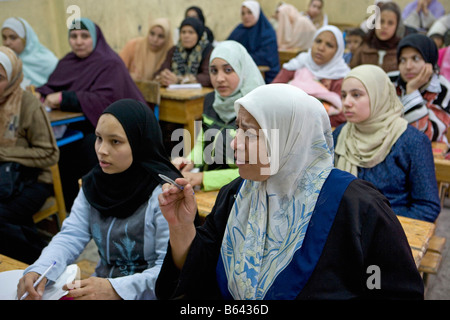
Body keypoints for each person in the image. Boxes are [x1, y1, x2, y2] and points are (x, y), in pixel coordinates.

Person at [155, 83, 424, 300]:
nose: (234, 143)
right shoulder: (237, 195)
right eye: (238, 128)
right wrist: (180, 226)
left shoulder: (358, 207)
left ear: (288, 137)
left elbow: (395, 291)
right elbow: (198, 275)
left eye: (249, 132)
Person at [17, 99, 181, 300]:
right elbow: (71, 236)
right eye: (99, 138)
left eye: (115, 141)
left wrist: (115, 289)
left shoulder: (165, 194)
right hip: (101, 286)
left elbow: (169, 272)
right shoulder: (95, 183)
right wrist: (40, 270)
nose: (102, 150)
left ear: (140, 144)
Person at [35, 17, 146, 211]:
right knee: (57, 149)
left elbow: (108, 100)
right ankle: (72, 207)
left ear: (95, 38)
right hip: (78, 124)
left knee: (88, 147)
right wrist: (40, 93)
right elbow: (51, 86)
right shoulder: (67, 62)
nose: (78, 41)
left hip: (112, 127)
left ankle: (99, 205)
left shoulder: (109, 62)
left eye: (84, 36)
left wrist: (65, 98)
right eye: (74, 36)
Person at [334, 65, 441, 223]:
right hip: (344, 226)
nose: (347, 102)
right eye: (343, 95)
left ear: (379, 96)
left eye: (356, 95)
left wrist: (381, 228)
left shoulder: (411, 141)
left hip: (391, 231)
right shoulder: (340, 134)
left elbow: (427, 206)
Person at [170, 40, 265, 191]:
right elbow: (204, 140)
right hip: (208, 185)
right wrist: (190, 160)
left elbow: (256, 169)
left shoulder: (258, 108)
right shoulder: (211, 100)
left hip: (244, 189)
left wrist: (204, 179)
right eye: (214, 71)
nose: (219, 78)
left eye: (228, 70)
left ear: (243, 71)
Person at [0, 46, 59, 264]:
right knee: (12, 223)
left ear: (13, 76)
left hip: (34, 181)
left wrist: (5, 153)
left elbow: (50, 153)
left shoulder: (28, 104)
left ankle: (39, 262)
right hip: (5, 181)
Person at [272, 25, 350, 127]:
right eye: (318, 41)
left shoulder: (341, 76)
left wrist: (306, 122)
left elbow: (343, 115)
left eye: (329, 45)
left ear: (338, 52)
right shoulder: (296, 65)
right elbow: (271, 92)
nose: (321, 48)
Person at [389, 33, 450, 144]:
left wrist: (411, 91)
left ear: (429, 61)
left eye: (415, 59)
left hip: (431, 153)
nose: (408, 66)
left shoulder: (443, 89)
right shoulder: (389, 81)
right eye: (402, 60)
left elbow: (427, 135)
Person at [227, 1, 280, 83]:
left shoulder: (267, 32)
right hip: (240, 71)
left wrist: (241, 58)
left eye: (249, 12)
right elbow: (228, 46)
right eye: (243, 13)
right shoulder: (239, 30)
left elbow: (266, 57)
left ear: (257, 13)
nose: (246, 16)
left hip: (265, 74)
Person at [154, 17, 213, 87]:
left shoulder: (208, 51)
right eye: (183, 32)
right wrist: (164, 77)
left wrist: (179, 80)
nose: (186, 36)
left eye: (191, 32)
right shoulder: (174, 50)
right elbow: (160, 71)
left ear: (199, 34)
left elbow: (208, 77)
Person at [1, 17, 58, 89]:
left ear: (25, 39)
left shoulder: (49, 61)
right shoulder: (5, 63)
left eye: (13, 37)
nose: (7, 43)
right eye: (4, 38)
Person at [350, 2, 403, 73]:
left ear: (396, 27)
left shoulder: (402, 50)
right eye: (381, 21)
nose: (385, 26)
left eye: (390, 23)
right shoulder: (363, 48)